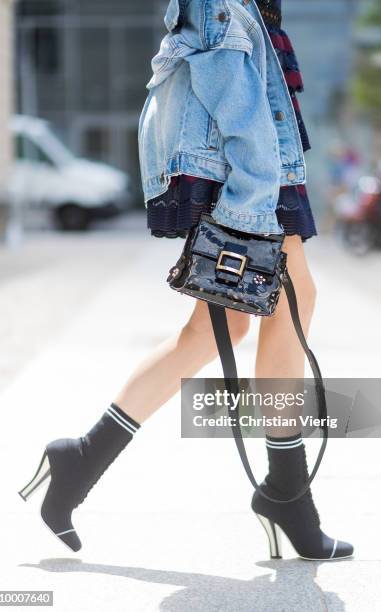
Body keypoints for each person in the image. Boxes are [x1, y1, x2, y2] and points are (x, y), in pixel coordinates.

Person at [19, 0, 353, 561]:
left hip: (256, 169)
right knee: (283, 305)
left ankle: (80, 460)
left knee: (215, 329)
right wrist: (249, 205)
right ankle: (286, 493)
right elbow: (235, 102)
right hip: (248, 174)